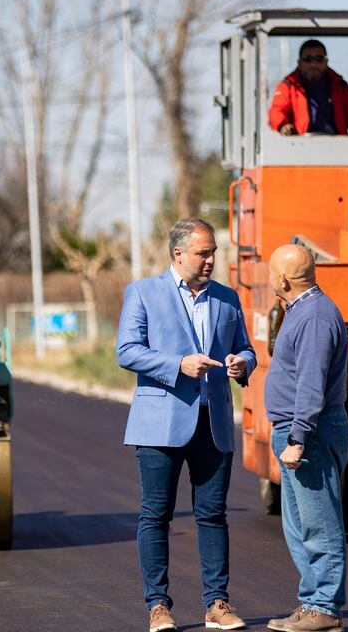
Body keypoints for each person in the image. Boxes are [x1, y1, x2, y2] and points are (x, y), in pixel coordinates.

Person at [116, 217, 257, 632]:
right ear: (179, 254)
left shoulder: (228, 299)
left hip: (212, 423)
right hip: (159, 423)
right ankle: (158, 606)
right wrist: (177, 364)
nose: (212, 259)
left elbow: (247, 349)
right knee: (155, 515)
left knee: (213, 515)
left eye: (214, 251)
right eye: (204, 252)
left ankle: (217, 603)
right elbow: (127, 351)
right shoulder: (142, 292)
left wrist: (241, 363)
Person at [264, 244, 348, 632]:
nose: (269, 280)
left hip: (309, 435)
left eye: (271, 273)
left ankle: (325, 608)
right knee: (299, 526)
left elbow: (311, 385)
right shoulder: (301, 312)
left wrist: (298, 437)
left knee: (319, 524)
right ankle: (312, 602)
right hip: (297, 432)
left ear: (282, 279)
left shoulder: (314, 317)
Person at [268, 39, 348, 137]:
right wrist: (283, 126)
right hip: (300, 149)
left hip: (338, 149)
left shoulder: (340, 86)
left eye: (319, 59)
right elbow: (277, 110)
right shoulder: (289, 85)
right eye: (308, 60)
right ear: (299, 63)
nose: (313, 64)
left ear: (326, 62)